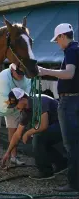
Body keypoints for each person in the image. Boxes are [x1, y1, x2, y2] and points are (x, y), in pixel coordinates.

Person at [37, 23, 79, 192]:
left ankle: (74, 183)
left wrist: (45, 71)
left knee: (71, 145)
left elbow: (69, 73)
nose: (57, 43)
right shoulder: (77, 49)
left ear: (62, 36)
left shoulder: (70, 51)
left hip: (68, 103)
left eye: (57, 40)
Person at [1, 88, 67, 180]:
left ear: (23, 99)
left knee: (38, 138)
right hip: (56, 126)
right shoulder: (25, 111)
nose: (16, 107)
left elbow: (44, 125)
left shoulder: (40, 101)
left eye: (16, 104)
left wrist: (28, 133)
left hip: (65, 125)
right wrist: (8, 153)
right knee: (40, 142)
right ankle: (62, 164)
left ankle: (46, 172)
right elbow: (17, 134)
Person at [0, 63, 31, 166]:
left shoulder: (27, 78)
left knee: (13, 130)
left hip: (16, 104)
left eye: (23, 73)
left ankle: (14, 157)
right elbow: (4, 102)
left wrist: (20, 105)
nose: (21, 75)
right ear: (12, 70)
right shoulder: (3, 78)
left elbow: (27, 96)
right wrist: (17, 105)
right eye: (18, 73)